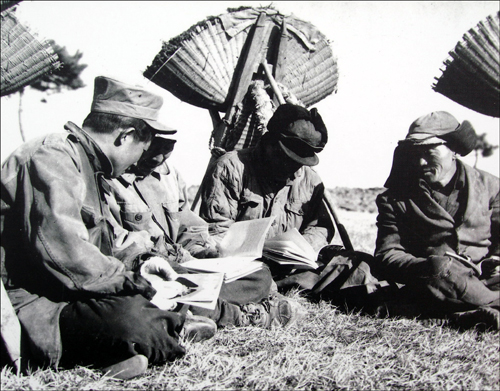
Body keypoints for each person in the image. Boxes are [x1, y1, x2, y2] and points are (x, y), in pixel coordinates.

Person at [0, 76, 214, 379]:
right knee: (132, 320)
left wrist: (144, 263)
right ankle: (140, 340)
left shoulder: (88, 167)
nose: (141, 159)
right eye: (143, 148)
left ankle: (140, 341)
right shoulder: (53, 157)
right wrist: (137, 284)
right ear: (125, 136)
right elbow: (64, 253)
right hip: (32, 302)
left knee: (152, 304)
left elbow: (106, 243)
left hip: (66, 290)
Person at [104, 134, 303, 330]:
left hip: (188, 264)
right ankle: (238, 316)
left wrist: (204, 251)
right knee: (170, 284)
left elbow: (187, 225)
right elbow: (118, 245)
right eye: (153, 148)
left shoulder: (170, 176)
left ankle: (196, 307)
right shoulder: (110, 181)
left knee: (259, 274)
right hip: (152, 268)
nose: (158, 158)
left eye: (167, 150)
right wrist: (167, 256)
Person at [198, 103, 379, 304]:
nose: (295, 170)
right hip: (243, 267)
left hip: (291, 267)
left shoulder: (310, 180)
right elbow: (216, 230)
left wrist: (304, 250)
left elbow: (319, 227)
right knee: (247, 278)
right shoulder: (231, 167)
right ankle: (267, 288)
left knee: (355, 263)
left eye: (301, 163)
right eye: (290, 160)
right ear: (270, 144)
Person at [374, 111, 500, 330]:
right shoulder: (395, 198)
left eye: (429, 152)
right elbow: (387, 254)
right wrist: (428, 267)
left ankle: (459, 316)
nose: (420, 161)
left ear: (453, 149)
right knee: (442, 276)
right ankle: (480, 311)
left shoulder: (491, 186)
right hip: (433, 283)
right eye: (415, 153)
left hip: (485, 281)